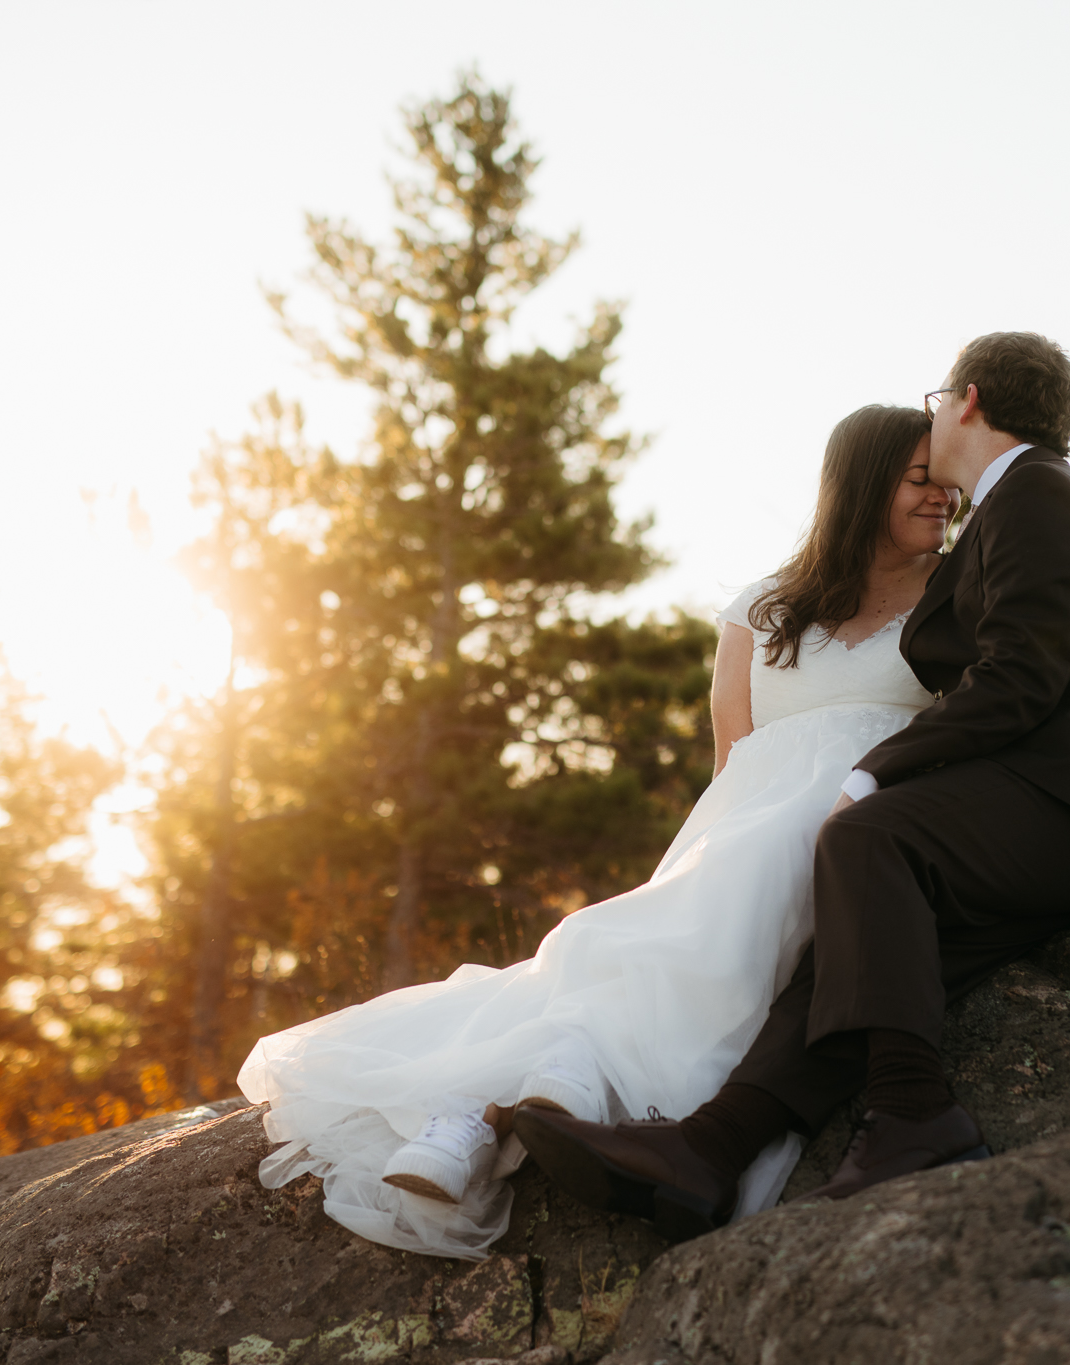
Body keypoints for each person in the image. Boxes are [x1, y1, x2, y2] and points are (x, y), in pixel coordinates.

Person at [238, 403, 964, 1260]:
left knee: (706, 925)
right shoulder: (761, 608)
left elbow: (1010, 687)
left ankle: (502, 1103)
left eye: (947, 480)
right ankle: (493, 1106)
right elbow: (735, 756)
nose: (942, 496)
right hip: (743, 825)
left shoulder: (959, 591)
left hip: (861, 822)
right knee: (641, 935)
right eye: (921, 478)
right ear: (864, 483)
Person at [515, 332, 1070, 1242]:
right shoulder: (1015, 507)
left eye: (936, 399)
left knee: (874, 837)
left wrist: (872, 773)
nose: (930, 424)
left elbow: (1019, 680)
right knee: (868, 944)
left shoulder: (1036, 492)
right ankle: (706, 1151)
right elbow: (1033, 640)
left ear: (969, 401)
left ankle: (915, 1116)